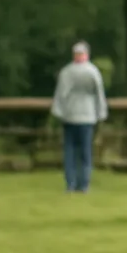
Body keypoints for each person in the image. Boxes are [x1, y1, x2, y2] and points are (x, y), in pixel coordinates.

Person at [51, 41, 109, 193]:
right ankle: (83, 184)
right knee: (85, 151)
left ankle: (71, 183)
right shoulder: (93, 72)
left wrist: (58, 112)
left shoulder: (67, 72)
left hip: (69, 115)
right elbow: (99, 94)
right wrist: (101, 113)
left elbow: (60, 95)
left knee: (70, 150)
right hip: (87, 116)